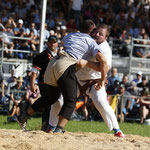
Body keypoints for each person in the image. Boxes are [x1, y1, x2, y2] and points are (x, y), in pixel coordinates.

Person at [17, 20, 107, 133]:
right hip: (65, 66)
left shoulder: (69, 35)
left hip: (53, 64)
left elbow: (64, 46)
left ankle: (23, 117)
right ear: (92, 31)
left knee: (51, 97)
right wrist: (103, 79)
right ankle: (59, 129)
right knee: (71, 100)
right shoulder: (91, 42)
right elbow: (103, 60)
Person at [76, 24, 125, 137]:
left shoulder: (105, 49)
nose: (97, 35)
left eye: (101, 34)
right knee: (61, 100)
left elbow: (105, 68)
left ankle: (117, 130)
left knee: (101, 102)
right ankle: (53, 127)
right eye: (96, 32)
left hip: (95, 81)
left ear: (106, 37)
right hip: (78, 79)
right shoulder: (88, 40)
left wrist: (86, 63)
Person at [28, 35, 63, 131]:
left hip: (54, 83)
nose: (52, 44)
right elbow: (34, 71)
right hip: (44, 83)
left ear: (57, 44)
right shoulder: (42, 56)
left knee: (53, 103)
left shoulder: (59, 55)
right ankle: (46, 125)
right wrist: (32, 84)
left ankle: (49, 125)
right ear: (47, 43)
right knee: (48, 102)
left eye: (54, 42)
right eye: (51, 42)